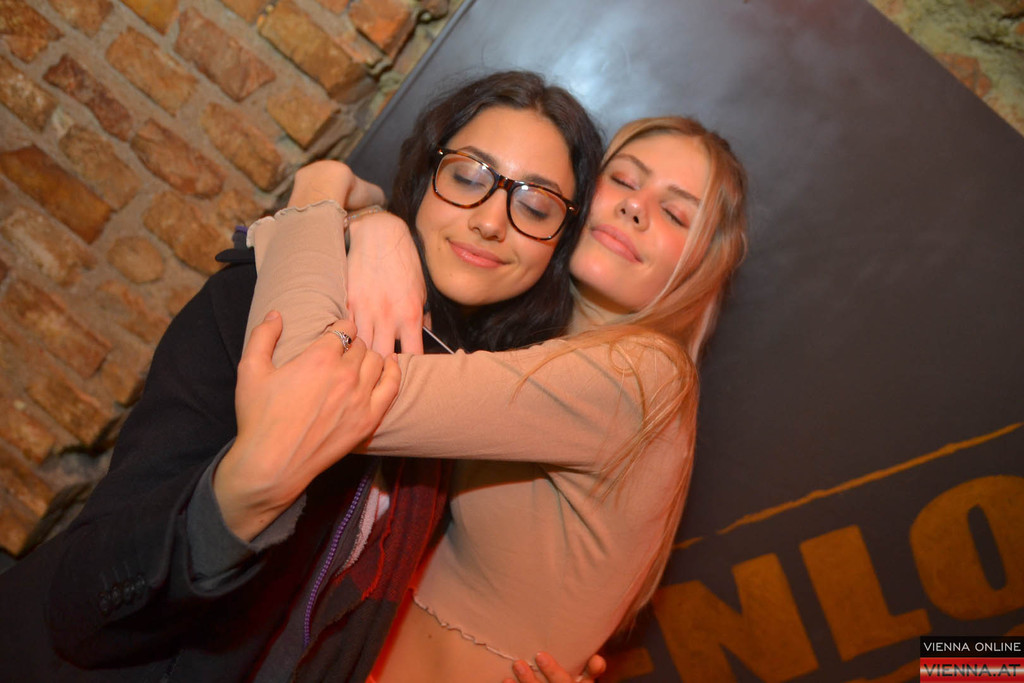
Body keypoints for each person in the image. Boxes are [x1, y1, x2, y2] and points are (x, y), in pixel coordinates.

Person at [0, 71, 604, 682]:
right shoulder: (265, 300)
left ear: (559, 245)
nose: (492, 221)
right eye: (468, 177)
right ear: (426, 177)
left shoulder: (482, 417)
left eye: (536, 206)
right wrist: (236, 502)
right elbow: (85, 596)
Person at [235, 114, 749, 680]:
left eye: (675, 214)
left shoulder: (639, 375)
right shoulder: (535, 342)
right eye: (624, 180)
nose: (635, 207)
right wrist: (378, 227)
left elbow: (307, 386)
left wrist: (319, 189)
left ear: (700, 266)